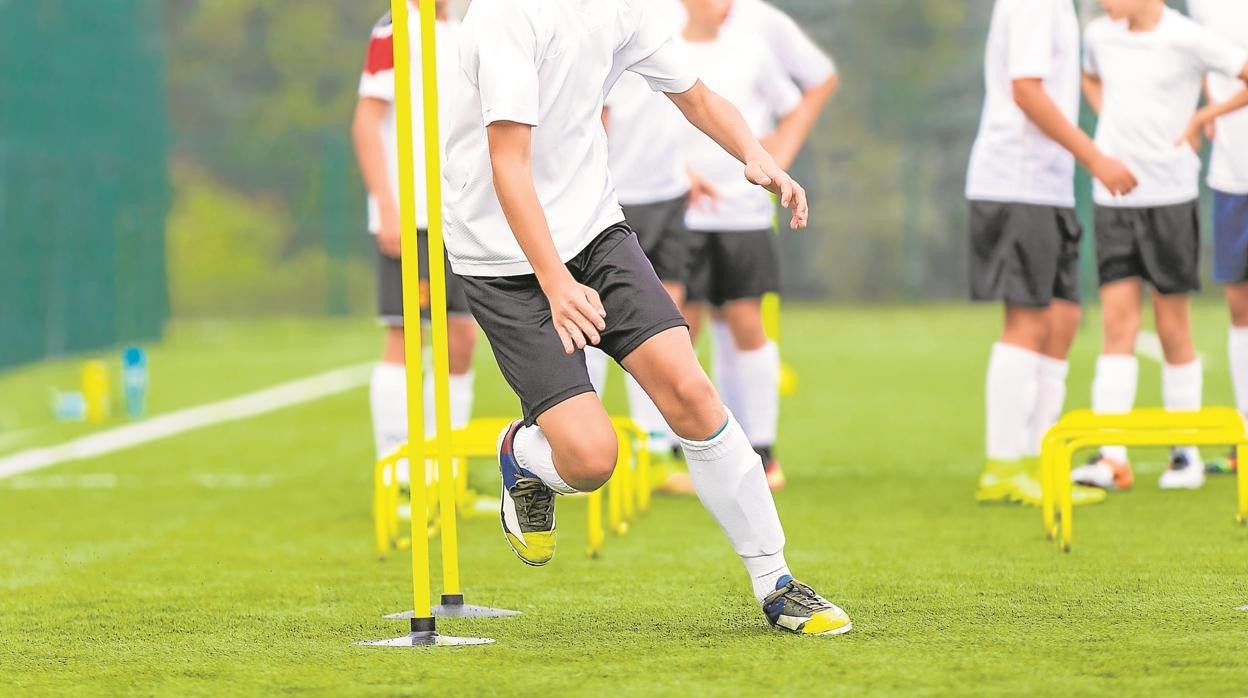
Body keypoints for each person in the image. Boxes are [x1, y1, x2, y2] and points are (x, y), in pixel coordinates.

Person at [442, 0, 851, 635]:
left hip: (595, 231)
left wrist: (756, 154)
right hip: (502, 255)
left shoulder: (624, 8)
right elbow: (508, 164)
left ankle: (777, 582)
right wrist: (555, 283)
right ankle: (523, 453)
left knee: (690, 390)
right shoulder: (505, 16)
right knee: (590, 460)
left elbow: (697, 96)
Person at [1071, 0, 1248, 492]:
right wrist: (1114, 123)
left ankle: (1184, 455)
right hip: (1114, 198)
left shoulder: (1186, 36)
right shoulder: (1100, 38)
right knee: (1117, 326)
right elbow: (1090, 78)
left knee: (1173, 327)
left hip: (1171, 198)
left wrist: (1202, 119)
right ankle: (1112, 459)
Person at [966, 0, 1137, 506]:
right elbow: (1025, 90)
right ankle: (1003, 467)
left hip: (1049, 188)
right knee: (1027, 322)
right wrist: (1095, 157)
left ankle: (1042, 462)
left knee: (1061, 322)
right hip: (1016, 183)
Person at [680, 0, 837, 492]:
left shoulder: (753, 42)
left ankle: (762, 451)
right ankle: (684, 449)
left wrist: (774, 160)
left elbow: (799, 102)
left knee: (745, 320)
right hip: (678, 213)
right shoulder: (661, 39)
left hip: (742, 214)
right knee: (681, 323)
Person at [352, 0, 478, 466]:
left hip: (462, 215)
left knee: (463, 337)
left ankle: (447, 462)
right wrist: (388, 207)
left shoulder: (465, 30)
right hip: (413, 215)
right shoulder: (395, 29)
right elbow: (366, 122)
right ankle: (398, 464)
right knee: (407, 336)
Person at [1188, 0, 1248, 474]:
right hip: (1231, 176)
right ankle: (1244, 440)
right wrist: (1209, 109)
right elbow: (1204, 60)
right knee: (1239, 307)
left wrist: (1208, 110)